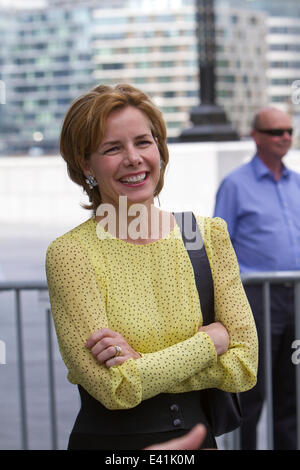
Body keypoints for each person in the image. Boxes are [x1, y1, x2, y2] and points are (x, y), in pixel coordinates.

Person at [46, 83, 258, 450]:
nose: (133, 158)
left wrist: (141, 364)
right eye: (113, 148)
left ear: (160, 148)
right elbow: (115, 388)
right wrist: (211, 341)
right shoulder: (70, 254)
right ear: (85, 164)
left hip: (200, 443)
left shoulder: (206, 235)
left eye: (143, 142)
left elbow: (245, 365)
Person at [214, 107, 300, 450]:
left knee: (291, 391)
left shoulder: (297, 183)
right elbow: (219, 247)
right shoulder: (235, 185)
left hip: (295, 298)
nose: (285, 137)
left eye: (289, 131)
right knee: (253, 391)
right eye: (276, 131)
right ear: (256, 136)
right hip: (256, 301)